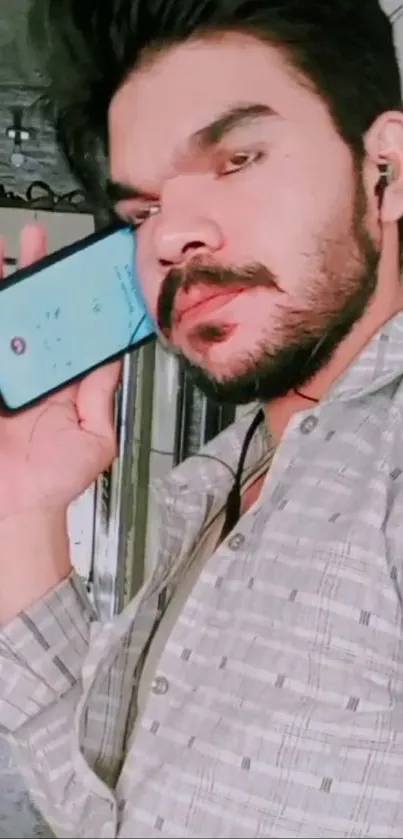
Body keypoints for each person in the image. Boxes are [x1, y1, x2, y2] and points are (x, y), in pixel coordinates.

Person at [1, 0, 403, 835]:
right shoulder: (223, 478)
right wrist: (24, 507)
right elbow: (105, 814)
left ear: (386, 169)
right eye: (140, 212)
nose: (170, 236)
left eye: (237, 158)